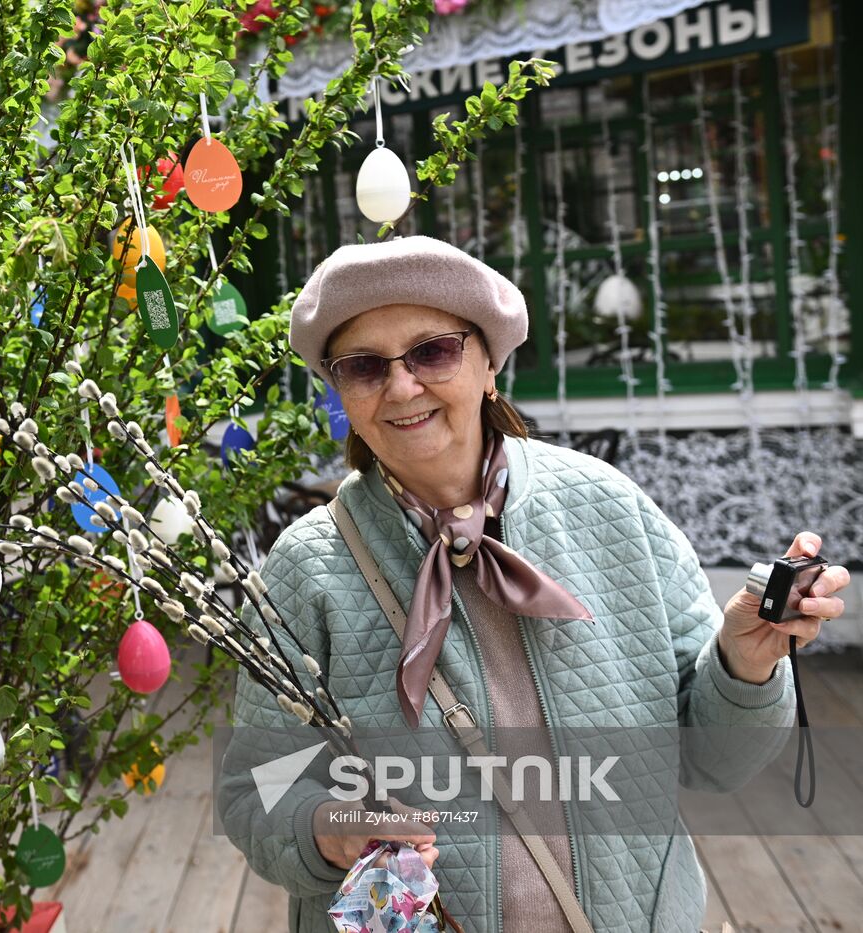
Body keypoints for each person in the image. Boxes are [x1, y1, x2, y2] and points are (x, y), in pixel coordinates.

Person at [215, 236, 851, 933]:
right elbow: (256, 789)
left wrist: (745, 663)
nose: (402, 386)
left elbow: (716, 759)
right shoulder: (307, 565)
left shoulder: (609, 506)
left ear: (489, 364)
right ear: (343, 392)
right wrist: (327, 827)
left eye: (433, 351)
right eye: (365, 367)